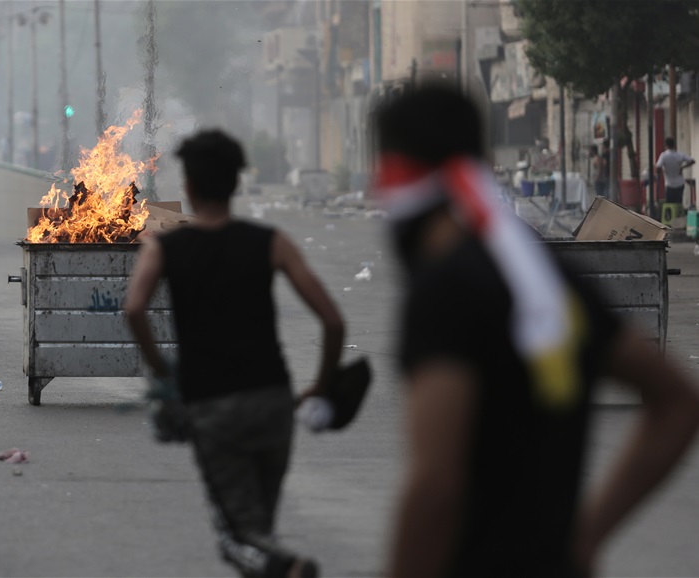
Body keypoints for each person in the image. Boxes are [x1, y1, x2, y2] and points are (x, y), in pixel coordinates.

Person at [374, 84, 699, 578]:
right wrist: (588, 533)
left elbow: (437, 484)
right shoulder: (548, 279)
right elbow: (677, 400)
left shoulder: (444, 291)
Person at [125, 129, 344, 578]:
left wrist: (163, 374)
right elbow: (333, 321)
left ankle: (289, 568)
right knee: (259, 524)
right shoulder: (271, 242)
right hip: (272, 400)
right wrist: (322, 383)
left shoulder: (164, 248)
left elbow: (133, 308)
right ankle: (278, 562)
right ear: (236, 183)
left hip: (212, 405)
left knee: (238, 536)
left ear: (188, 186)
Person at [656, 137, 695, 205]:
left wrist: (662, 171)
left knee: (669, 204)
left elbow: (658, 167)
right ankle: (679, 214)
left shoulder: (664, 155)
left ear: (665, 145)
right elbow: (692, 161)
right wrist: (682, 167)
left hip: (669, 184)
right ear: (674, 145)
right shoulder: (679, 155)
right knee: (678, 204)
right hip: (680, 183)